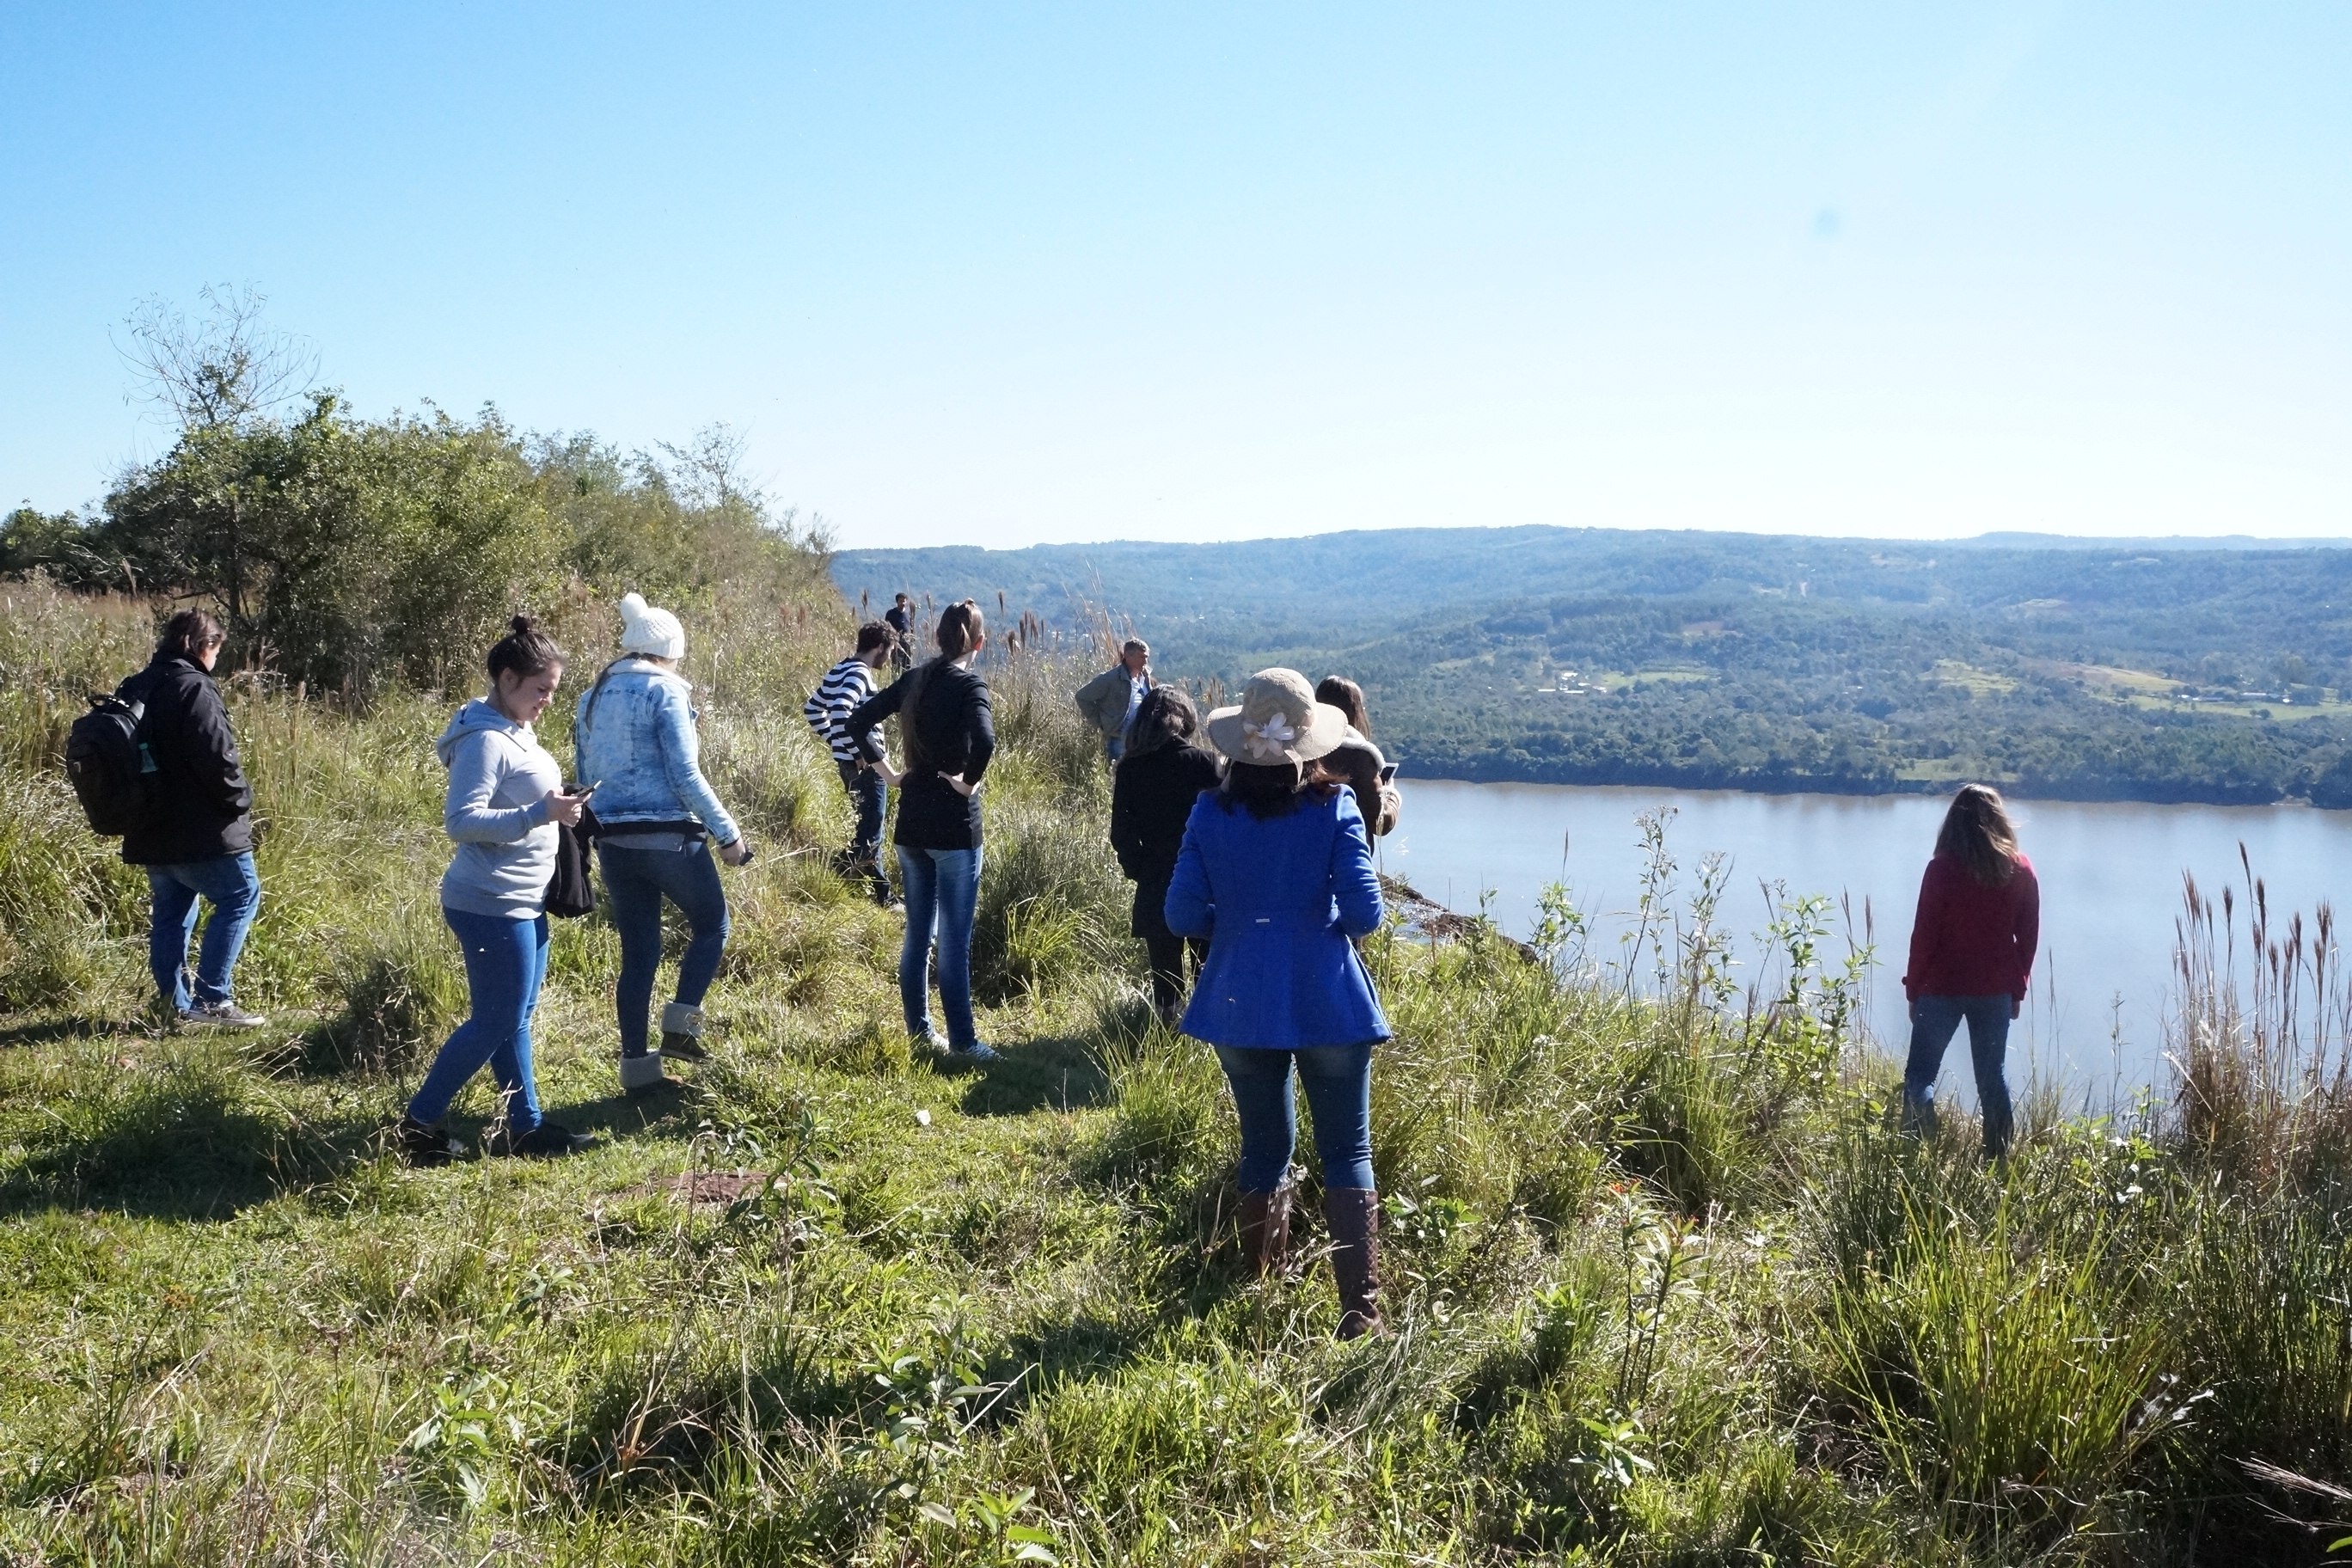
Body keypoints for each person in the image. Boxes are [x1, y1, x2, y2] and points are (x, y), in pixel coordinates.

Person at [1167, 667, 1390, 1338]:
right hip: (1329, 997)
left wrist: (1243, 925)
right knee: (1347, 1149)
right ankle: (1360, 1316)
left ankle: (1263, 1292)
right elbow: (1366, 915)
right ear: (1310, 744)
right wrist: (1307, 925)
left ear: (1240, 744)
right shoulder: (1336, 806)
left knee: (1264, 1148)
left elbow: (1181, 915)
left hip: (1238, 998)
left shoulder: (1209, 811)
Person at [399, 617, 593, 1165]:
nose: (548, 701)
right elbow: (461, 821)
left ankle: (525, 1127)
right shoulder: (485, 739)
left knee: (514, 1017)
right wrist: (540, 813)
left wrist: (560, 809)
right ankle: (417, 1124)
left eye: (552, 691)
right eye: (541, 689)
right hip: (490, 902)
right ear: (507, 679)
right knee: (496, 1019)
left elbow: (523, 801)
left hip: (524, 898)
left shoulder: (515, 729)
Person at [575, 592, 752, 1093]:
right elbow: (685, 774)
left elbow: (584, 774)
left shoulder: (591, 696)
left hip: (612, 840)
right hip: (668, 836)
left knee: (639, 953)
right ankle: (681, 1030)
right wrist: (728, 834)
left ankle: (637, 1069)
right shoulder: (666, 691)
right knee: (712, 924)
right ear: (671, 649)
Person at [845, 599, 999, 1064]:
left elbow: (857, 720)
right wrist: (967, 783)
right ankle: (964, 1042)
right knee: (953, 942)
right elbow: (986, 740)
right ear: (979, 643)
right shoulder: (971, 685)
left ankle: (920, 1032)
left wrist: (890, 775)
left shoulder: (915, 679)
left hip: (911, 823)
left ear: (936, 638)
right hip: (954, 827)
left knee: (918, 934)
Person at [117, 609, 265, 1028]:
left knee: (171, 912)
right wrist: (240, 800)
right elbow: (217, 756)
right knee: (241, 896)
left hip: (148, 826)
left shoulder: (136, 685)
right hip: (202, 830)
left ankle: (173, 1005)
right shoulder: (194, 686)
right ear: (205, 645)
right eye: (217, 649)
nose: (216, 658)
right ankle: (213, 999)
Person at [1901, 783, 2041, 1160]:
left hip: (1940, 987)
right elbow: (2028, 938)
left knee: (1920, 1077)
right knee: (1992, 1079)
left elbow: (1923, 936)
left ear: (1953, 822)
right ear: (1999, 820)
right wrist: (2017, 989)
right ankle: (1997, 1162)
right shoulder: (2021, 869)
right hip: (1994, 990)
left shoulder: (1941, 869)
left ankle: (1917, 1153)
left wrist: (1914, 990)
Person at [1110, 686, 1222, 1026]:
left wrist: (1140, 871)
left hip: (1156, 880)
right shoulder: (1205, 762)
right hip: (1205, 880)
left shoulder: (1130, 767)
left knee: (1165, 979)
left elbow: (1121, 834)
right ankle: (1207, 1034)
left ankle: (1167, 1036)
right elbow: (1224, 824)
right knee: (1208, 969)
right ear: (1185, 719)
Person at [805, 622, 899, 906]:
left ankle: (870, 888)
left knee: (867, 826)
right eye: (890, 651)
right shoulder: (860, 673)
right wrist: (859, 752)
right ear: (879, 647)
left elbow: (813, 709)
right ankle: (874, 891)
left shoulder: (840, 668)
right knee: (871, 831)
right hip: (866, 765)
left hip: (848, 763)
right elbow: (839, 710)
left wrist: (837, 743)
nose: (889, 658)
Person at [1313, 676, 1402, 839]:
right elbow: (1380, 823)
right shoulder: (1359, 758)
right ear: (1356, 713)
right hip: (1349, 849)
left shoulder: (1303, 749)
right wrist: (1390, 793)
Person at [1075, 639, 1155, 764]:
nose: (1145, 661)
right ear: (1128, 656)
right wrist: (1100, 723)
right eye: (1141, 657)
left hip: (1141, 739)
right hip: (1119, 739)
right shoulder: (1111, 678)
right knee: (1118, 773)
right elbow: (1082, 697)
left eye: (1146, 657)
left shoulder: (1145, 677)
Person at [884, 592, 916, 671]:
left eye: (904, 601)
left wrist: (912, 639)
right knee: (896, 666)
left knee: (907, 666)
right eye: (901, 601)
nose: (903, 603)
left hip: (907, 644)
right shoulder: (891, 614)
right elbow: (886, 628)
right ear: (897, 602)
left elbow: (911, 628)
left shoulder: (908, 615)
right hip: (896, 644)